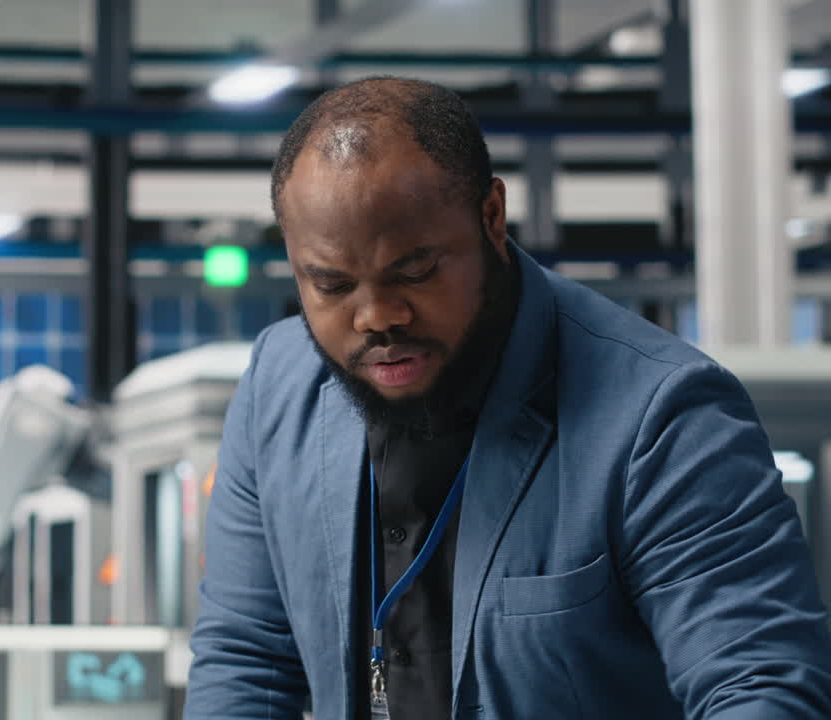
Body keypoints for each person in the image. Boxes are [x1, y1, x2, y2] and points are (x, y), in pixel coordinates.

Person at [183, 76, 831, 720]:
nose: (376, 316)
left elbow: (763, 687)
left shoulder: (661, 417)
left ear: (491, 217)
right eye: (331, 286)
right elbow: (245, 662)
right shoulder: (279, 387)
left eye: (415, 271)